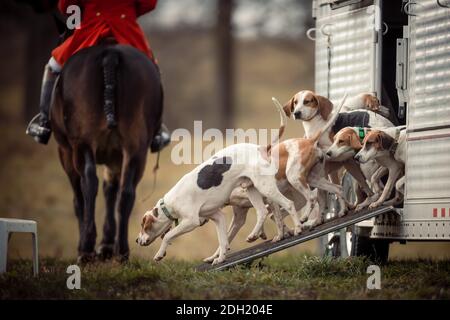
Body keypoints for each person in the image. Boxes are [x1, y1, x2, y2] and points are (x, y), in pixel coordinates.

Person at [26, 0, 170, 152]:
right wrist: (127, 11)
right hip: (126, 29)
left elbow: (66, 5)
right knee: (152, 68)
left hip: (90, 30)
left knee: (53, 66)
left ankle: (44, 124)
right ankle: (157, 131)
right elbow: (149, 3)